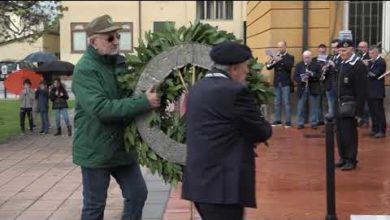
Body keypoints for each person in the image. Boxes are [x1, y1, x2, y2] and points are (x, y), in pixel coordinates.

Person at [72, 15, 161, 220]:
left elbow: (132, 93)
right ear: (93, 41)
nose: (116, 41)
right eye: (110, 38)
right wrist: (143, 102)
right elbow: (101, 109)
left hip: (122, 146)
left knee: (138, 194)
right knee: (95, 206)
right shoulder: (85, 69)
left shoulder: (120, 63)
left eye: (117, 36)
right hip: (96, 149)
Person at [182, 41, 272, 220]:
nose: (247, 71)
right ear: (234, 68)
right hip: (223, 188)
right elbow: (261, 131)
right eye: (246, 66)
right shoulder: (235, 91)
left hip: (200, 184)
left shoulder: (197, 88)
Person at [334, 39, 368, 171]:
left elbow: (361, 90)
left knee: (349, 134)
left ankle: (351, 159)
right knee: (340, 133)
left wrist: (359, 112)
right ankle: (343, 157)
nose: (341, 53)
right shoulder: (342, 63)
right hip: (340, 103)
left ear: (352, 50)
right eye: (340, 50)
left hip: (350, 105)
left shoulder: (358, 65)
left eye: (344, 50)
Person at [266, 40, 295, 128]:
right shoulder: (276, 56)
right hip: (277, 83)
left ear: (285, 47)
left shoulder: (290, 57)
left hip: (285, 83)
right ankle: (277, 120)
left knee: (286, 102)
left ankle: (288, 121)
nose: (280, 48)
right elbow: (269, 67)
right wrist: (271, 60)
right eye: (278, 47)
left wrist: (279, 60)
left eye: (281, 46)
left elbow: (289, 67)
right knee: (277, 102)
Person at [294, 50, 321, 129]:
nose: (306, 59)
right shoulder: (299, 65)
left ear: (311, 57)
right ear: (303, 57)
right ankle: (300, 122)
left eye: (308, 58)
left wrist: (312, 74)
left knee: (314, 107)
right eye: (305, 58)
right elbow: (295, 77)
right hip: (302, 88)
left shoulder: (316, 65)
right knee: (301, 106)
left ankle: (314, 122)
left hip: (313, 88)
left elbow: (320, 76)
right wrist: (301, 79)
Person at [367, 46, 387, 138]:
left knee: (379, 111)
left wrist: (365, 67)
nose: (371, 55)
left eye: (372, 53)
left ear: (377, 53)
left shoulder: (381, 62)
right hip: (370, 90)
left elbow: (374, 74)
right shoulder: (372, 62)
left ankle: (381, 130)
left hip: (377, 91)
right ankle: (375, 129)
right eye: (370, 53)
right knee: (372, 111)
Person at [312, 44, 329, 126]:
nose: (322, 53)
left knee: (326, 103)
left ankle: (327, 120)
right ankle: (320, 119)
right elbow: (312, 70)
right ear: (318, 51)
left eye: (323, 51)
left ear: (326, 51)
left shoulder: (329, 59)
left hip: (327, 83)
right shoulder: (314, 60)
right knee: (318, 103)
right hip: (317, 83)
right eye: (320, 51)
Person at [358, 41, 370, 127]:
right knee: (360, 103)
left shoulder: (369, 56)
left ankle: (366, 120)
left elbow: (370, 70)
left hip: (366, 83)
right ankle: (361, 119)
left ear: (367, 47)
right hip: (359, 83)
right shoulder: (358, 56)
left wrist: (366, 65)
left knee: (366, 104)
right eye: (360, 47)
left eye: (363, 47)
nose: (361, 49)